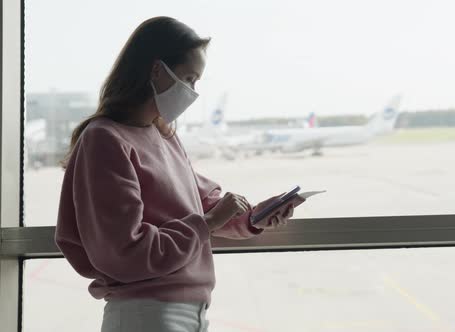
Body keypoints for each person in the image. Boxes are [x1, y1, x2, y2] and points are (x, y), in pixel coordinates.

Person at [54, 16, 305, 332]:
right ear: (157, 70)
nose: (193, 91)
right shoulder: (104, 139)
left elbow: (204, 206)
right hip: (146, 314)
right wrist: (210, 223)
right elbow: (125, 252)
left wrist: (254, 217)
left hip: (190, 311)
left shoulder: (164, 137)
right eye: (189, 78)